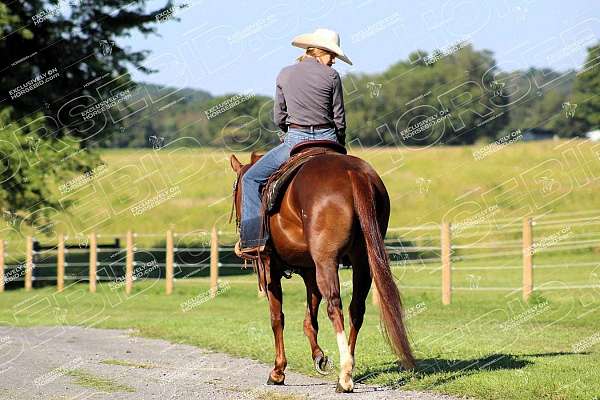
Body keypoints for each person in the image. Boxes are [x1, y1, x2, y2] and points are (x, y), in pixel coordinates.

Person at [235, 28, 352, 257]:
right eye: (333, 56)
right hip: (329, 139)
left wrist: (287, 132)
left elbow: (279, 117)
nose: (334, 61)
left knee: (250, 178)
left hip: (295, 141)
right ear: (322, 52)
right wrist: (341, 143)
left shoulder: (285, 74)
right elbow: (339, 118)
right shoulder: (332, 77)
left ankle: (253, 240)